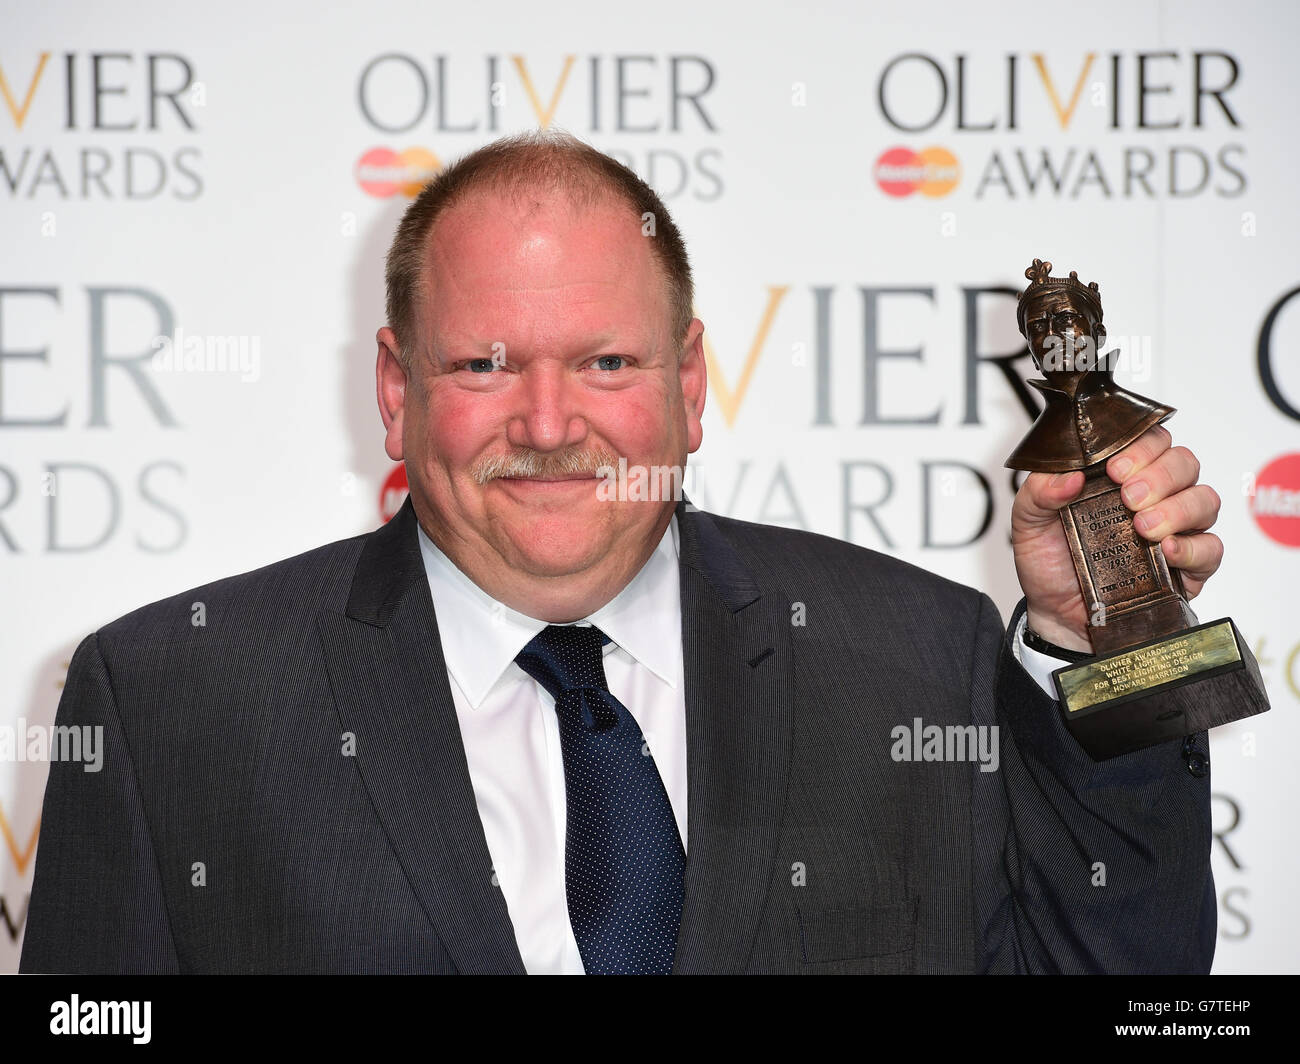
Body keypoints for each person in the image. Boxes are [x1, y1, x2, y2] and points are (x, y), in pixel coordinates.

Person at [20, 129, 1226, 975]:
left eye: (607, 362)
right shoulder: (168, 702)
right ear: (396, 391)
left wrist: (1099, 637)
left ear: (690, 384)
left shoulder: (919, 659)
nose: (548, 426)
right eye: (482, 364)